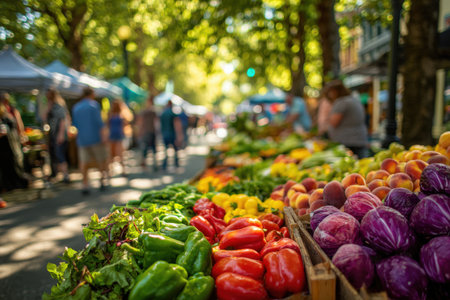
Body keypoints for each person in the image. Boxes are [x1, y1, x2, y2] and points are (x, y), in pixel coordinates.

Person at [72, 87, 108, 195]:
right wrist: (104, 137)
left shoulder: (76, 107)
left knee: (84, 163)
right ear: (91, 94)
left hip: (82, 139)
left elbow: (75, 125)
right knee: (101, 160)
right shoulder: (94, 105)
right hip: (95, 138)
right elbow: (100, 123)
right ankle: (102, 181)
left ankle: (85, 184)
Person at [325, 79, 369, 158]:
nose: (329, 94)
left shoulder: (341, 102)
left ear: (335, 91)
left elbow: (334, 122)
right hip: (358, 139)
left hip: (348, 142)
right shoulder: (354, 100)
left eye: (330, 92)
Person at [0, 95, 29, 192]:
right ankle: (10, 184)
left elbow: (19, 124)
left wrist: (22, 135)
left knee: (16, 160)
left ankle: (18, 183)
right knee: (8, 163)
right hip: (5, 143)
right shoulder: (3, 113)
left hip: (13, 140)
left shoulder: (12, 110)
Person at [45, 88, 70, 183]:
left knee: (60, 154)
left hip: (59, 134)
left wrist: (61, 134)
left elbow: (63, 121)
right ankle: (60, 174)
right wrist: (48, 108)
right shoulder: (51, 106)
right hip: (53, 134)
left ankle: (65, 175)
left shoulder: (59, 106)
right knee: (56, 154)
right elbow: (43, 117)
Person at [160, 100, 183, 170]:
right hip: (172, 134)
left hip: (165, 134)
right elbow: (177, 124)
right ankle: (176, 164)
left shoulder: (163, 114)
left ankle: (164, 165)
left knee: (166, 151)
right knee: (175, 150)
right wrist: (179, 135)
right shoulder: (172, 114)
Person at [137, 96, 159, 171]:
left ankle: (148, 163)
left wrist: (140, 131)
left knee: (149, 149)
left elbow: (141, 122)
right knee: (148, 149)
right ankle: (147, 163)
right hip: (149, 132)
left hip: (149, 132)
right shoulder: (152, 111)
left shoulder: (148, 111)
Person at [108, 99, 129, 176]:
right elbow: (125, 124)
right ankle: (123, 170)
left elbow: (107, 126)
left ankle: (110, 171)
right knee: (120, 154)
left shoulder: (110, 115)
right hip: (119, 135)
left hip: (112, 135)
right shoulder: (120, 115)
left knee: (112, 154)